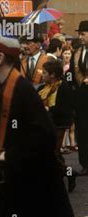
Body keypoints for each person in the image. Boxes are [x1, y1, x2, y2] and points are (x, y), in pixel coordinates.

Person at [0, 30, 78, 217]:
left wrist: (8, 155)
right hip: (11, 180)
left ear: (0, 58)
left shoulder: (21, 89)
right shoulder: (0, 86)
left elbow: (43, 137)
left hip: (30, 183)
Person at [38, 60, 77, 192]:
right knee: (53, 154)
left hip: (58, 125)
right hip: (44, 124)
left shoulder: (63, 87)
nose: (42, 75)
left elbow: (65, 109)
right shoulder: (42, 88)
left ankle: (63, 175)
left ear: (53, 74)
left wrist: (48, 109)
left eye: (44, 73)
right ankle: (67, 174)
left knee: (51, 153)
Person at [68, 20, 88, 175]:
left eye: (83, 34)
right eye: (79, 34)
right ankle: (85, 164)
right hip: (81, 98)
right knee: (82, 131)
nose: (80, 37)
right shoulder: (77, 52)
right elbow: (70, 75)